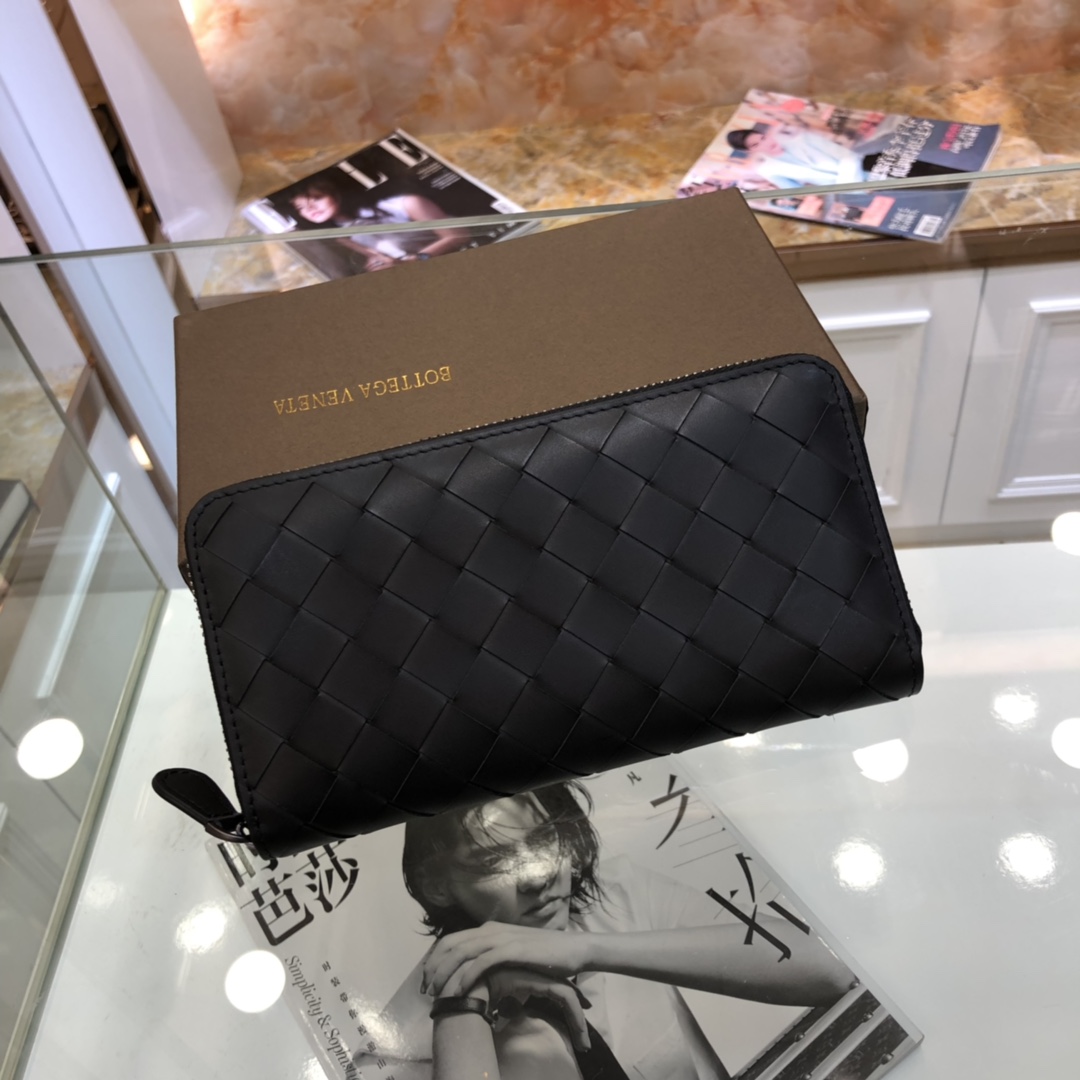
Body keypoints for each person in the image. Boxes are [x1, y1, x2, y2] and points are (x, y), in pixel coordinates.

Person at [394, 782, 853, 1080]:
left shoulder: (618, 894)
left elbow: (828, 970)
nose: (539, 876)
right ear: (437, 885)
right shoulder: (406, 1034)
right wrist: (465, 1002)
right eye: (495, 861)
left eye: (543, 838)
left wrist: (587, 949)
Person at [282, 171, 474, 273]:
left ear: (336, 192)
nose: (310, 209)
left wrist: (416, 260)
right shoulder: (340, 237)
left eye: (316, 198)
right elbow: (383, 260)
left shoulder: (404, 204)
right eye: (300, 207)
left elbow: (458, 235)